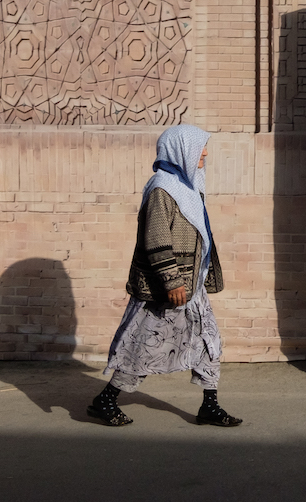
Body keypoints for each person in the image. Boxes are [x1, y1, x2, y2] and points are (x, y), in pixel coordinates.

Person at [87, 124, 242, 427]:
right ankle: (105, 400)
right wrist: (171, 281)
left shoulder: (189, 187)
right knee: (143, 345)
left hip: (193, 287)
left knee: (209, 341)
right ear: (181, 149)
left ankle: (209, 405)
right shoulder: (162, 189)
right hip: (168, 289)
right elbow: (155, 238)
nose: (205, 153)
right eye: (200, 147)